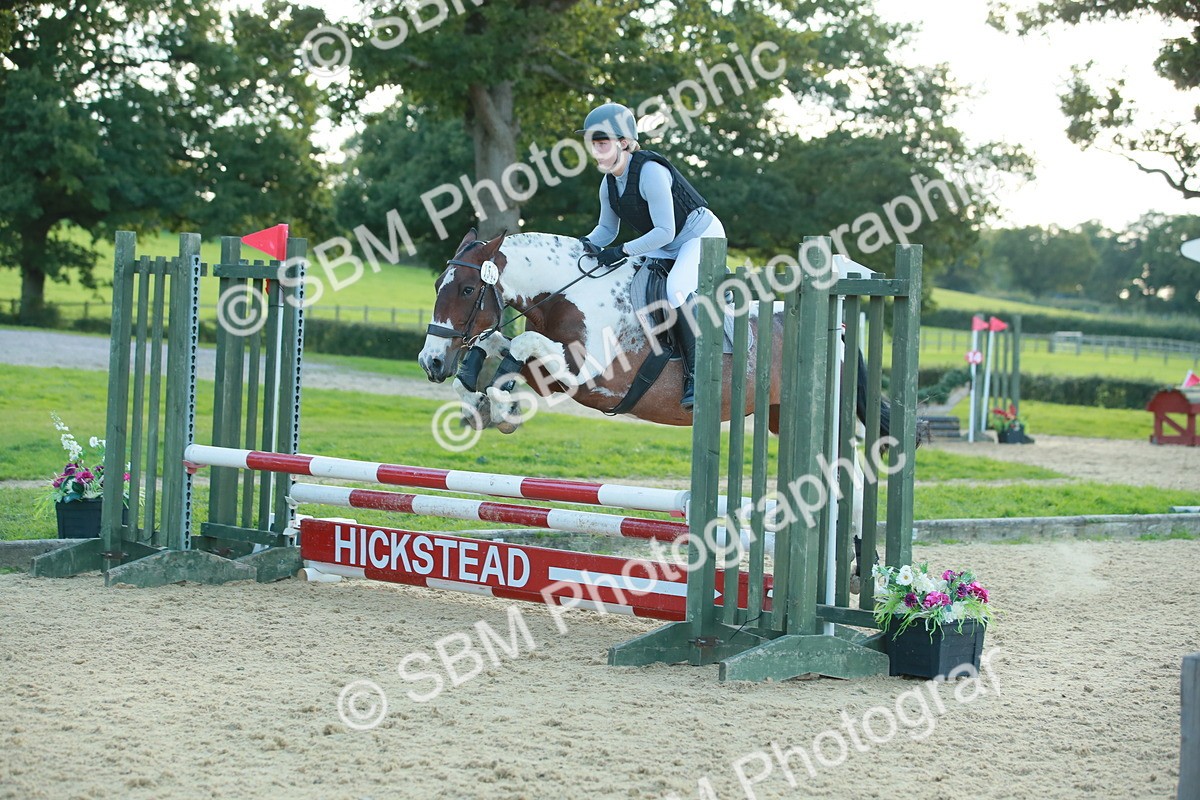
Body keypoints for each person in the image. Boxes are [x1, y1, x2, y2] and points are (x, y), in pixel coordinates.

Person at [575, 102, 725, 412]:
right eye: (593, 143)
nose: (597, 149)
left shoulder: (650, 172)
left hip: (699, 236)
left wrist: (622, 251)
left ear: (625, 143)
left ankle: (698, 375)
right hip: (666, 241)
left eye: (602, 141)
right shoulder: (609, 183)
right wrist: (580, 246)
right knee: (625, 281)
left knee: (675, 289)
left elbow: (665, 232)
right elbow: (605, 230)